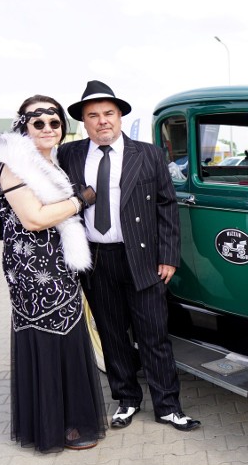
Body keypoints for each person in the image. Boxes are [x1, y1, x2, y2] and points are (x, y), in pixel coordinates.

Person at [58, 80, 201, 432]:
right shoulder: (70, 155)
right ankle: (126, 399)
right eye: (93, 115)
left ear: (120, 116)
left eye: (108, 113)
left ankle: (168, 406)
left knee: (154, 334)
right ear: (84, 122)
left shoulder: (149, 154)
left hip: (143, 259)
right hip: (97, 260)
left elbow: (168, 206)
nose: (102, 121)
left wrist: (168, 256)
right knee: (112, 334)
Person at [0, 94, 106, 452]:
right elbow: (34, 218)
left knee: (69, 336)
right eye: (38, 122)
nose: (48, 128)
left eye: (54, 122)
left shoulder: (50, 164)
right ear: (23, 126)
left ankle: (71, 418)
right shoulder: (14, 165)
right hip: (31, 269)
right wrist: (81, 200)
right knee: (46, 339)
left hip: (58, 265)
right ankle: (53, 425)